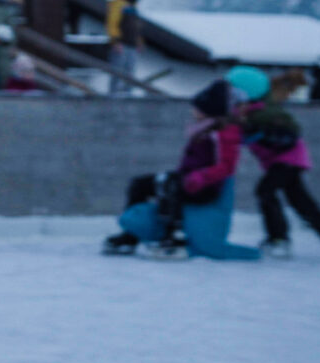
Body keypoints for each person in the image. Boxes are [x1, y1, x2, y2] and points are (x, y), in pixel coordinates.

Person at [102, 79, 261, 261]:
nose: (193, 111)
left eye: (198, 108)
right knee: (140, 184)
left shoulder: (224, 132)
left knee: (171, 186)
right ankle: (131, 235)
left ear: (211, 111)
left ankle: (175, 238)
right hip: (188, 179)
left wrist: (201, 177)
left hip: (207, 186)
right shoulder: (203, 128)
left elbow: (227, 166)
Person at [238, 68, 320, 260]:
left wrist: (263, 135)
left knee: (265, 191)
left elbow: (290, 133)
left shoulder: (264, 113)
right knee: (303, 205)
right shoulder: (251, 113)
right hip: (284, 162)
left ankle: (278, 239)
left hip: (288, 161)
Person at [106, 0, 144, 79]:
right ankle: (115, 91)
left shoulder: (134, 6)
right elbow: (112, 23)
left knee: (130, 75)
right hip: (121, 44)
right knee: (117, 74)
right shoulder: (119, 3)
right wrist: (116, 41)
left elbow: (135, 26)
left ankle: (127, 90)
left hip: (132, 45)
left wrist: (139, 41)